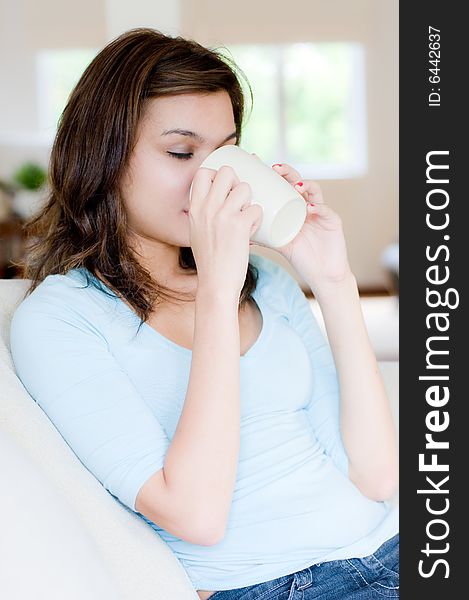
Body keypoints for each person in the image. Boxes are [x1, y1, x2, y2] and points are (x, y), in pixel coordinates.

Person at [10, 28, 399, 600]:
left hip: (393, 546)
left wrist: (334, 282)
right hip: (279, 584)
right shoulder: (61, 319)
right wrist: (216, 287)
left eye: (224, 153)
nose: (214, 178)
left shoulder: (267, 284)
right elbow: (195, 514)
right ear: (105, 156)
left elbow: (377, 477)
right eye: (180, 152)